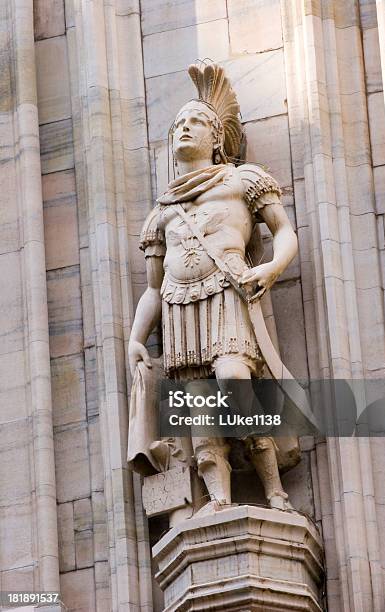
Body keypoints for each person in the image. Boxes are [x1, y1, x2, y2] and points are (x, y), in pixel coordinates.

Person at [128, 63, 299, 511]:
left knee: (235, 384)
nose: (185, 128)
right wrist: (135, 338)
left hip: (226, 296)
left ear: (217, 137)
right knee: (200, 411)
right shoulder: (162, 210)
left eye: (196, 121)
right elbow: (152, 286)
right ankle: (219, 499)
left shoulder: (243, 180)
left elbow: (284, 232)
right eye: (178, 124)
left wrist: (272, 268)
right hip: (179, 307)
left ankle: (274, 490)